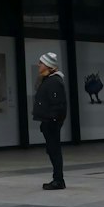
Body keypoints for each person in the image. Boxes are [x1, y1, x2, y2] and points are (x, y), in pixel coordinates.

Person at [32, 52, 68, 190]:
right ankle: (57, 179)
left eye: (41, 63)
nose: (39, 65)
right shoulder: (48, 80)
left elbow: (58, 104)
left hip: (51, 122)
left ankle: (58, 180)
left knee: (54, 150)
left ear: (48, 65)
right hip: (48, 121)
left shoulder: (54, 81)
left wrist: (52, 120)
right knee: (52, 150)